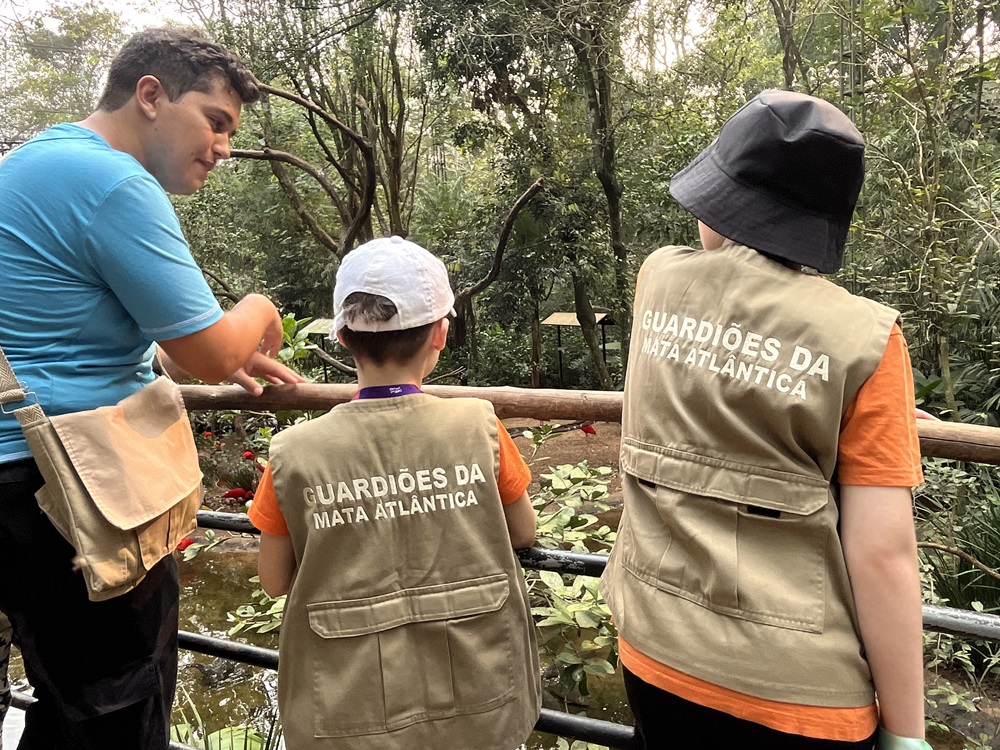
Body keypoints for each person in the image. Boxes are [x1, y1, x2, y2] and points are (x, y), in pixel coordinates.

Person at [0, 28, 303, 750]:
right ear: (151, 95)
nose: (224, 147)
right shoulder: (112, 181)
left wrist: (208, 355)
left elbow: (71, 326)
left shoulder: (29, 164)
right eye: (215, 121)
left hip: (16, 485)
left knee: (60, 699)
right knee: (117, 710)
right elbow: (205, 353)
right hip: (65, 494)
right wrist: (260, 310)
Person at [599, 90, 929, 750]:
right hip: (797, 700)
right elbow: (883, 554)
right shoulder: (866, 342)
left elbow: (724, 367)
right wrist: (907, 732)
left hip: (655, 654)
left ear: (726, 201)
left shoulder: (657, 279)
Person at [249, 235, 541, 750]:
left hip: (347, 712)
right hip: (478, 700)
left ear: (341, 336)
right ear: (440, 334)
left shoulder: (292, 452)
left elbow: (274, 580)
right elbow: (523, 531)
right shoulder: (481, 427)